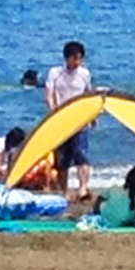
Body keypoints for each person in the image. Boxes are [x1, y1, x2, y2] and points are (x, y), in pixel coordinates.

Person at [43, 41, 94, 200]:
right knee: (62, 159)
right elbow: (49, 94)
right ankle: (63, 190)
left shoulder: (84, 74)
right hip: (61, 120)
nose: (77, 62)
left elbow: (88, 94)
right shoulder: (55, 73)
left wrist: (93, 115)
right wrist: (53, 112)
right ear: (67, 58)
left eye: (80, 59)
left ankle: (83, 188)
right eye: (75, 59)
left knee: (81, 155)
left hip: (80, 120)